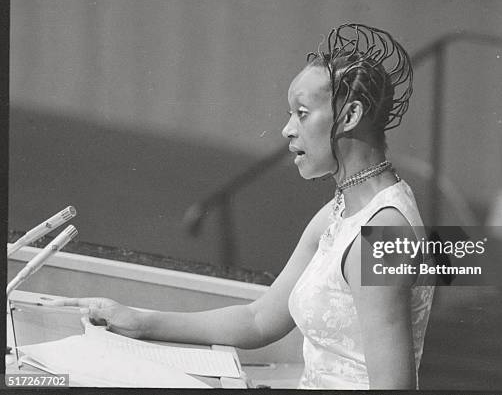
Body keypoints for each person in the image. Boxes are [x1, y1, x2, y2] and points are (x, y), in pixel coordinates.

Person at [53, 23, 436, 390]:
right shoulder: (338, 213)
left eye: (301, 114)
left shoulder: (383, 232)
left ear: (350, 116)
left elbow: (394, 386)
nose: (287, 129)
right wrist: (138, 320)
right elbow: (259, 320)